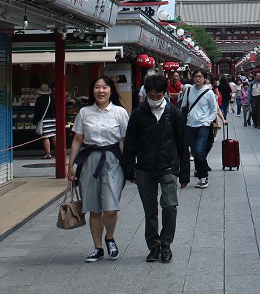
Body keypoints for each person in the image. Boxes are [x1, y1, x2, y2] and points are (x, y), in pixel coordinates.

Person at [123, 73, 190, 264]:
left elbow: (181, 143)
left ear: (165, 93)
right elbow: (130, 144)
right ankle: (154, 246)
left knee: (170, 206)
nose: (154, 99)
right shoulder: (138, 114)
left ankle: (166, 244)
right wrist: (129, 170)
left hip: (168, 166)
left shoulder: (174, 113)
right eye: (151, 96)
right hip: (144, 168)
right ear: (146, 93)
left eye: (158, 96)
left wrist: (184, 173)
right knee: (150, 210)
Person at [68, 75, 130, 263]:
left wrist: (130, 164)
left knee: (111, 208)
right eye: (97, 87)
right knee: (94, 209)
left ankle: (109, 237)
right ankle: (97, 247)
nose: (101, 91)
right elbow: (78, 139)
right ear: (92, 90)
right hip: (89, 161)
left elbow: (126, 141)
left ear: (111, 90)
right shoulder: (84, 113)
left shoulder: (120, 112)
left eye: (104, 87)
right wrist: (70, 165)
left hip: (113, 161)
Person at [182, 68, 219, 189]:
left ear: (204, 78)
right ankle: (201, 172)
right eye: (196, 76)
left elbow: (214, 110)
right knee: (195, 151)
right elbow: (184, 106)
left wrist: (206, 122)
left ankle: (203, 176)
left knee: (198, 151)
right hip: (190, 125)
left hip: (203, 125)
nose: (198, 78)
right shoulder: (188, 90)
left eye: (200, 76)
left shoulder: (209, 93)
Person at [33, 83, 55, 159]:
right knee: (53, 135)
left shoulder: (39, 100)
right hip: (53, 119)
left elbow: (37, 112)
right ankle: (58, 151)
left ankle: (48, 153)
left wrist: (35, 121)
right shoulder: (52, 99)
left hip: (44, 120)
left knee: (45, 137)